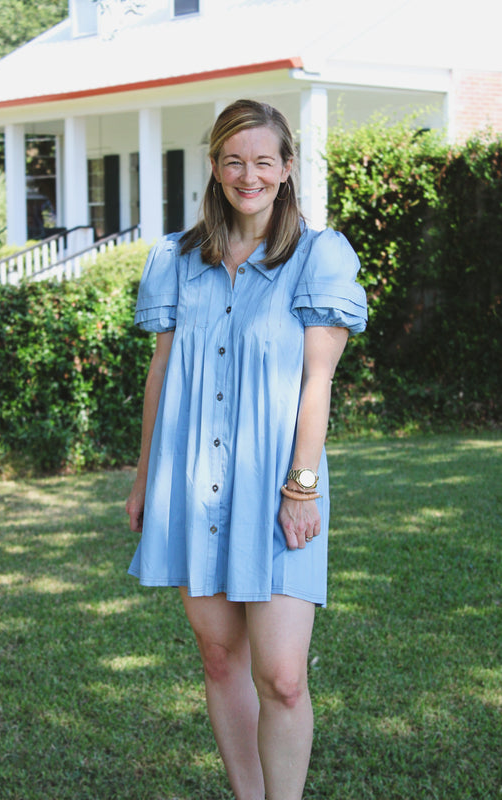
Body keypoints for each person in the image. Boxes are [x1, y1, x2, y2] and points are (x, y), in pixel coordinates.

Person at [126, 98, 367, 800]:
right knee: (218, 656)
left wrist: (300, 486)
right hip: (191, 482)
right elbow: (161, 374)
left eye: (263, 160)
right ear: (214, 166)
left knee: (283, 677)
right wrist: (145, 478)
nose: (248, 174)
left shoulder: (319, 256)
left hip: (277, 486)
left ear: (287, 169)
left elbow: (315, 380)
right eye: (233, 160)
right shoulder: (176, 258)